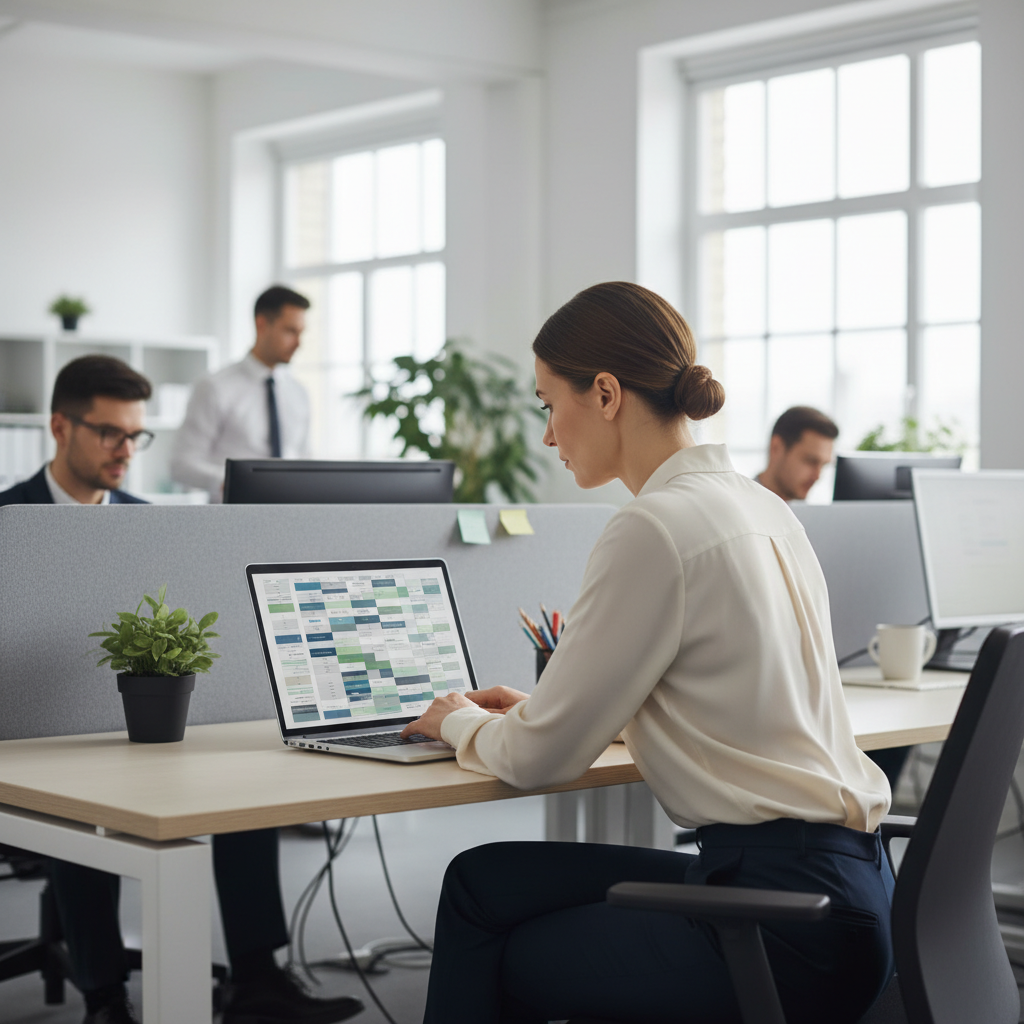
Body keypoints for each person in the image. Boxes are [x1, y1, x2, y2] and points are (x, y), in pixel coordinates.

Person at [400, 282, 894, 1024]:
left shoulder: (654, 528)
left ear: (604, 393)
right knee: (483, 881)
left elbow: (540, 762)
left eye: (547, 405)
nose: (545, 436)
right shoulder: (760, 507)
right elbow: (726, 698)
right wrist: (545, 709)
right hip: (842, 890)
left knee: (494, 940)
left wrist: (454, 722)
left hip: (779, 926)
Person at [0, 355, 362, 1024]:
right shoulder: (7, 520)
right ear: (58, 426)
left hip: (143, 724)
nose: (126, 451)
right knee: (85, 805)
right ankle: (103, 995)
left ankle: (255, 978)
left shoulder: (150, 524)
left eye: (136, 436)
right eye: (110, 433)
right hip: (35, 741)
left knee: (243, 791)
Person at [171, 285, 311, 499]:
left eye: (301, 333)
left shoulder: (299, 393)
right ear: (262, 324)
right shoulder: (214, 387)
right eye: (290, 331)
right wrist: (233, 480)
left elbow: (304, 458)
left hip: (289, 518)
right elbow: (181, 464)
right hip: (231, 521)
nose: (299, 343)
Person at [756, 405, 838, 501]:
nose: (817, 476)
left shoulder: (807, 514)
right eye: (811, 461)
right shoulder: (738, 509)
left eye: (823, 465)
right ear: (776, 448)